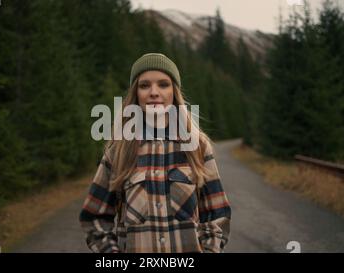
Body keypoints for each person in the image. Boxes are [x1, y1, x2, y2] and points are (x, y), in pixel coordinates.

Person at [79, 53, 231, 253]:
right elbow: (95, 219)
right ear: (136, 94)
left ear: (174, 93)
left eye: (163, 84)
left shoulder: (197, 147)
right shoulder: (118, 152)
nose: (154, 92)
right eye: (144, 85)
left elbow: (217, 215)